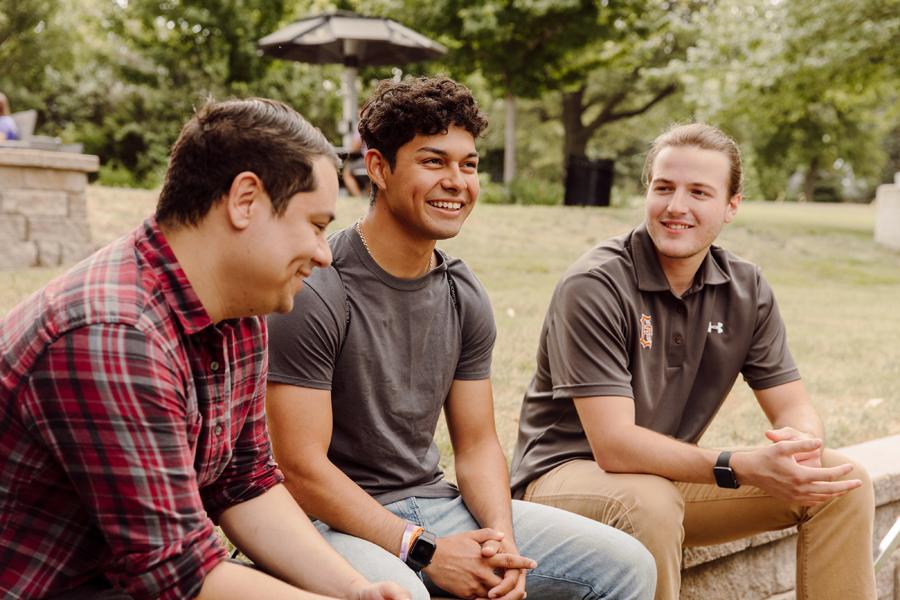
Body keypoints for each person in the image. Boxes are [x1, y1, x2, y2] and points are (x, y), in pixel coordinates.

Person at [0, 98, 409, 600]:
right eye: (316, 225)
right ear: (245, 201)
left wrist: (354, 590)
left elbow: (244, 483)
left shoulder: (242, 309)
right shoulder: (115, 332)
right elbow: (177, 573)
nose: (324, 254)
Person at [265, 76, 657, 600]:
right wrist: (424, 550)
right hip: (327, 520)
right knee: (406, 593)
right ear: (379, 168)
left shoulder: (462, 292)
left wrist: (502, 545)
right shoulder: (319, 287)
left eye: (468, 164)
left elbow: (476, 445)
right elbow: (299, 469)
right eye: (433, 162)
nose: (456, 181)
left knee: (627, 565)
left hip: (433, 504)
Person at [509, 123, 877, 600]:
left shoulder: (745, 287)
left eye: (699, 192)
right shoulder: (596, 284)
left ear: (731, 206)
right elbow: (614, 446)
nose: (676, 206)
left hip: (663, 479)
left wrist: (801, 445)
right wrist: (739, 465)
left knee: (840, 484)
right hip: (559, 483)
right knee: (651, 503)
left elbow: (793, 405)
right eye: (664, 188)